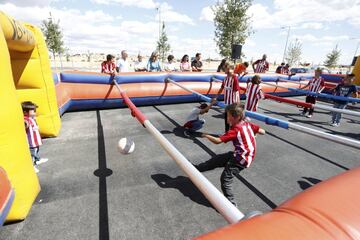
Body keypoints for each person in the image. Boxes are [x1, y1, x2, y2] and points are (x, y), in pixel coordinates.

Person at [201, 103, 265, 206]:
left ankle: (231, 206)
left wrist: (206, 135)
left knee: (225, 179)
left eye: (228, 116)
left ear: (237, 117)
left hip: (240, 160)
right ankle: (197, 168)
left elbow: (218, 141)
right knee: (217, 160)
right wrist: (255, 133)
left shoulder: (235, 130)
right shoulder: (246, 124)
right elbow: (263, 131)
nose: (227, 118)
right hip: (240, 155)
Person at [22, 101, 48, 173]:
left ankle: (37, 160)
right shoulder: (26, 119)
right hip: (31, 142)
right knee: (32, 154)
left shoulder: (32, 118)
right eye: (33, 111)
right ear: (25, 112)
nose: (35, 113)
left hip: (36, 140)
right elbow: (25, 124)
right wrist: (25, 124)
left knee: (36, 151)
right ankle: (32, 166)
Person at [213, 63, 240, 131]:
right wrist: (216, 96)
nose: (224, 69)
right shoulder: (225, 79)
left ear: (230, 69)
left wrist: (236, 104)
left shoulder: (234, 78)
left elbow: (236, 92)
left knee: (234, 118)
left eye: (225, 68)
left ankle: (235, 131)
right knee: (227, 117)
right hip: (227, 102)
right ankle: (227, 131)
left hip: (233, 103)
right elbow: (222, 88)